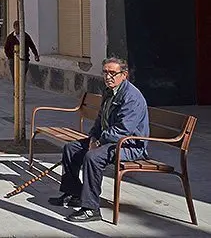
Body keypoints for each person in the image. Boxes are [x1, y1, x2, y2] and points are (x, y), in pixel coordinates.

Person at [49, 57, 150, 223]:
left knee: (93, 157)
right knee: (71, 148)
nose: (108, 76)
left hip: (129, 145)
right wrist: (93, 137)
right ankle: (74, 193)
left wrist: (100, 142)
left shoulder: (132, 98)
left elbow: (123, 130)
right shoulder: (109, 91)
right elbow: (100, 119)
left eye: (113, 73)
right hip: (109, 140)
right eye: (105, 72)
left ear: (124, 75)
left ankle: (91, 208)